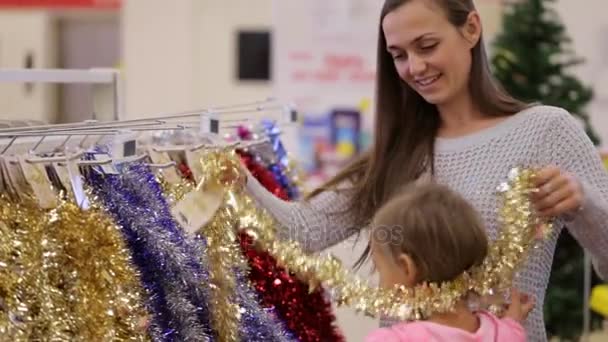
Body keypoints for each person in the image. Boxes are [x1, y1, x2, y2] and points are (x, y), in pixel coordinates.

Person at [244, 0, 608, 340]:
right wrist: (229, 174)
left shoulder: (547, 131)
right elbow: (302, 231)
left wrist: (583, 203)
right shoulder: (397, 154)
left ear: (471, 28)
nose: (414, 67)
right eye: (399, 55)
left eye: (427, 46)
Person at [364, 183, 534, 341]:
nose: (380, 284)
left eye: (379, 269)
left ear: (406, 268)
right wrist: (512, 322)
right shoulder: (504, 333)